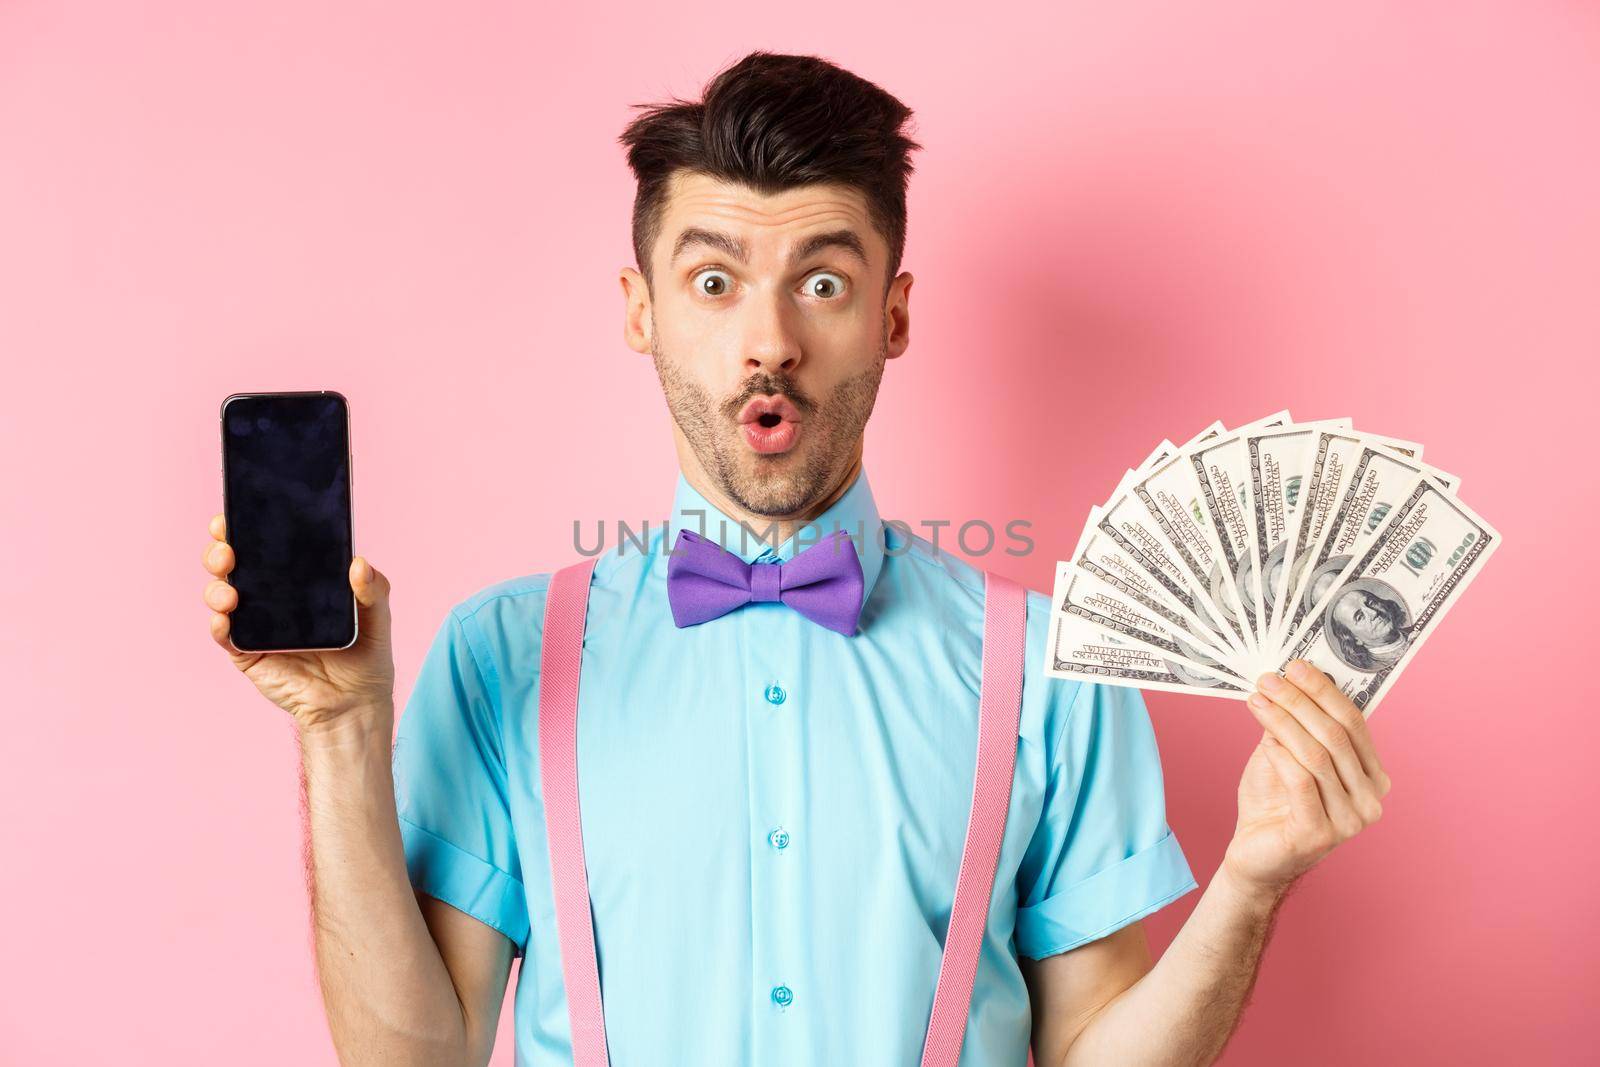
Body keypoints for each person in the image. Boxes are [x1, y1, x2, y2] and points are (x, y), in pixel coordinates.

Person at [200, 50, 1391, 1067]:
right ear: (641, 310)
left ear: (894, 314)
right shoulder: (499, 654)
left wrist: (1250, 878)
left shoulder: (1055, 666)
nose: (768, 341)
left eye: (821, 282)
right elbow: (416, 1052)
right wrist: (339, 733)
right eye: (713, 281)